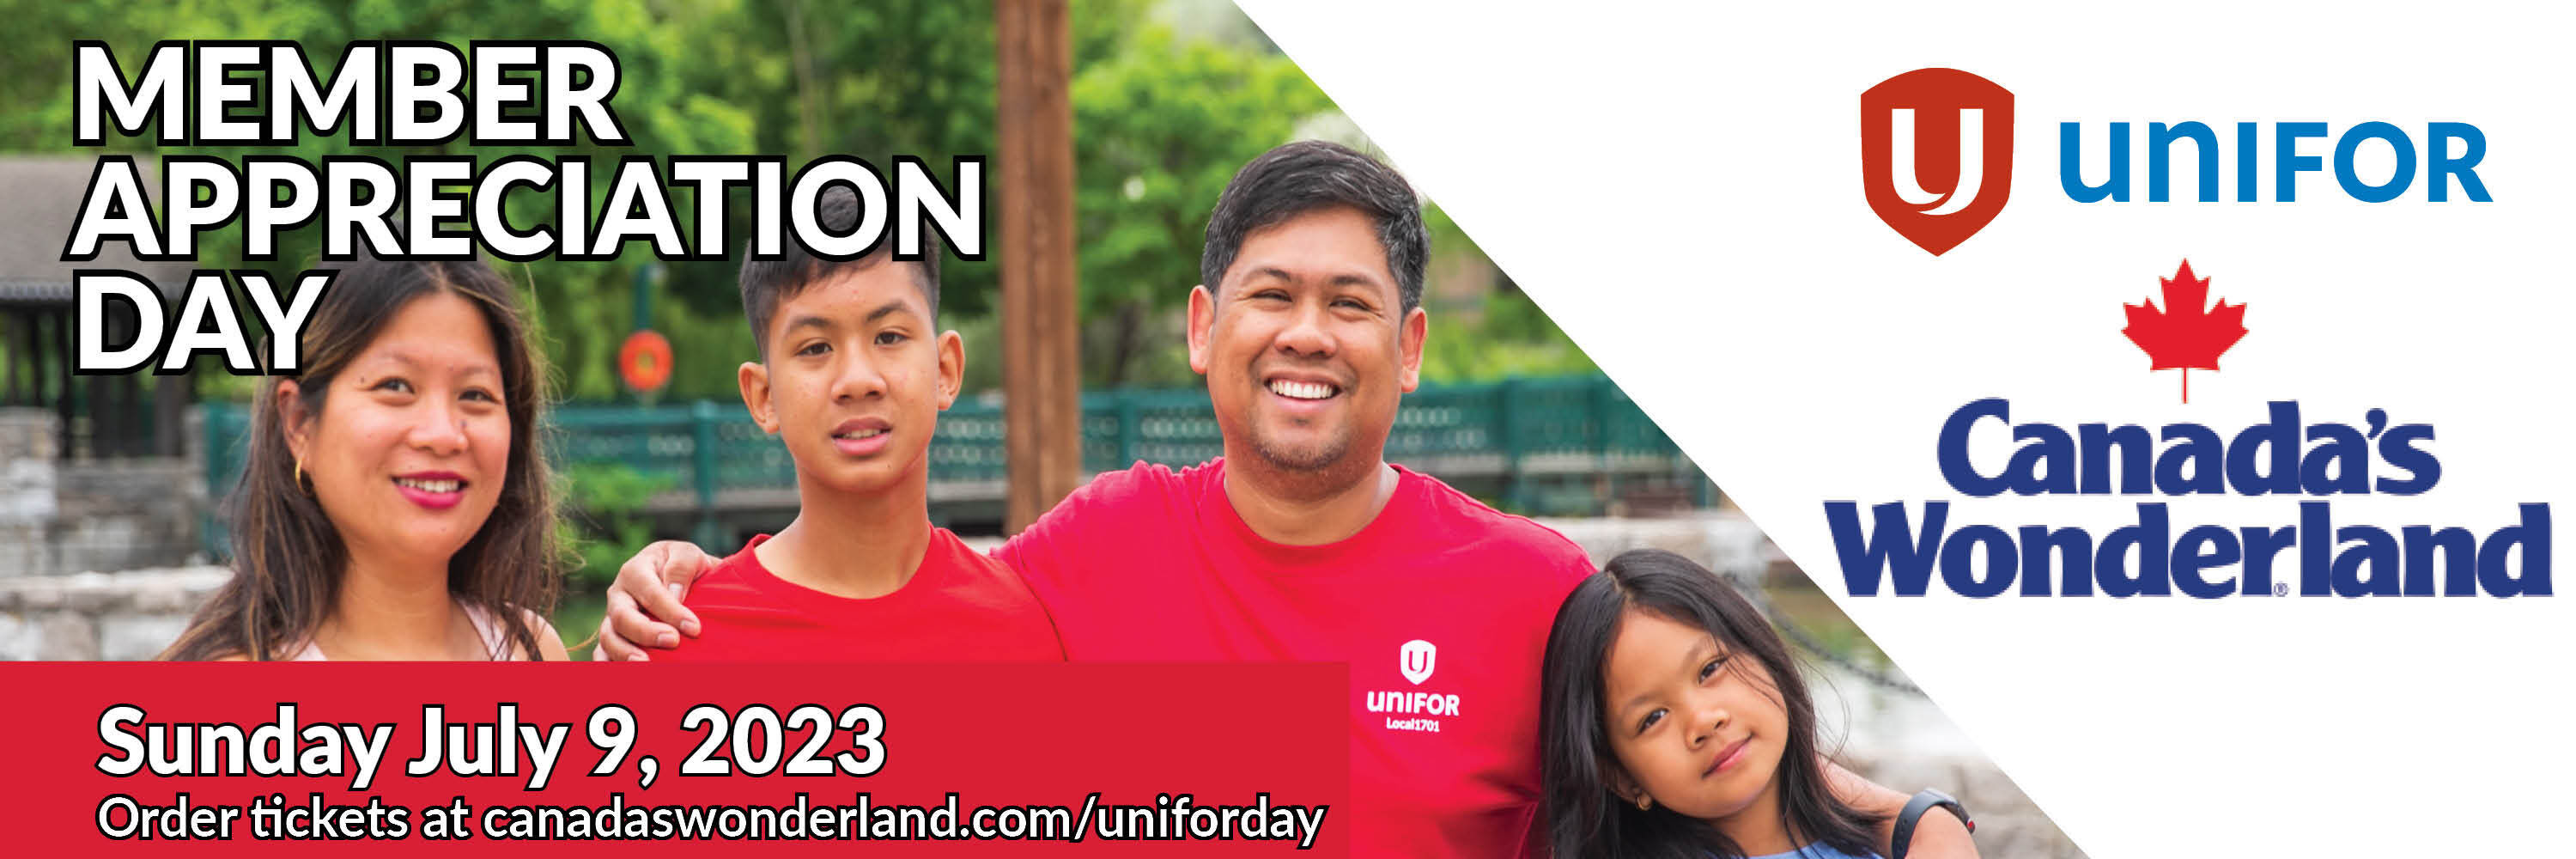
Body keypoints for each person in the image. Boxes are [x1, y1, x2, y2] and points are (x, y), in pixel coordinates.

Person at [595, 141, 1917, 856]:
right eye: (1270, 298)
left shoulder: (1532, 583)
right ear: (1201, 329)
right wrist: (690, 583)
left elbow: (1726, 752)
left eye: (1349, 306)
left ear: (1405, 349)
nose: (1306, 335)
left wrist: (1923, 829)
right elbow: (886, 624)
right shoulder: (1098, 546)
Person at [645, 189, 1060, 663]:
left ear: (945, 369)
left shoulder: (1017, 627)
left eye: (889, 337)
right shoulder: (678, 635)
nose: (858, 380)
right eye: (815, 348)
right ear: (763, 398)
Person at [163, 257, 566, 661]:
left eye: (475, 395)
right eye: (395, 386)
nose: (443, 435)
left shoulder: (529, 649)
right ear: (300, 423)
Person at [1541, 550, 1977, 859]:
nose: (1704, 721)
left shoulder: (1879, 839)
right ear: (1620, 777)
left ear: (1761, 650)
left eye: (1710, 669)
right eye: (1652, 717)